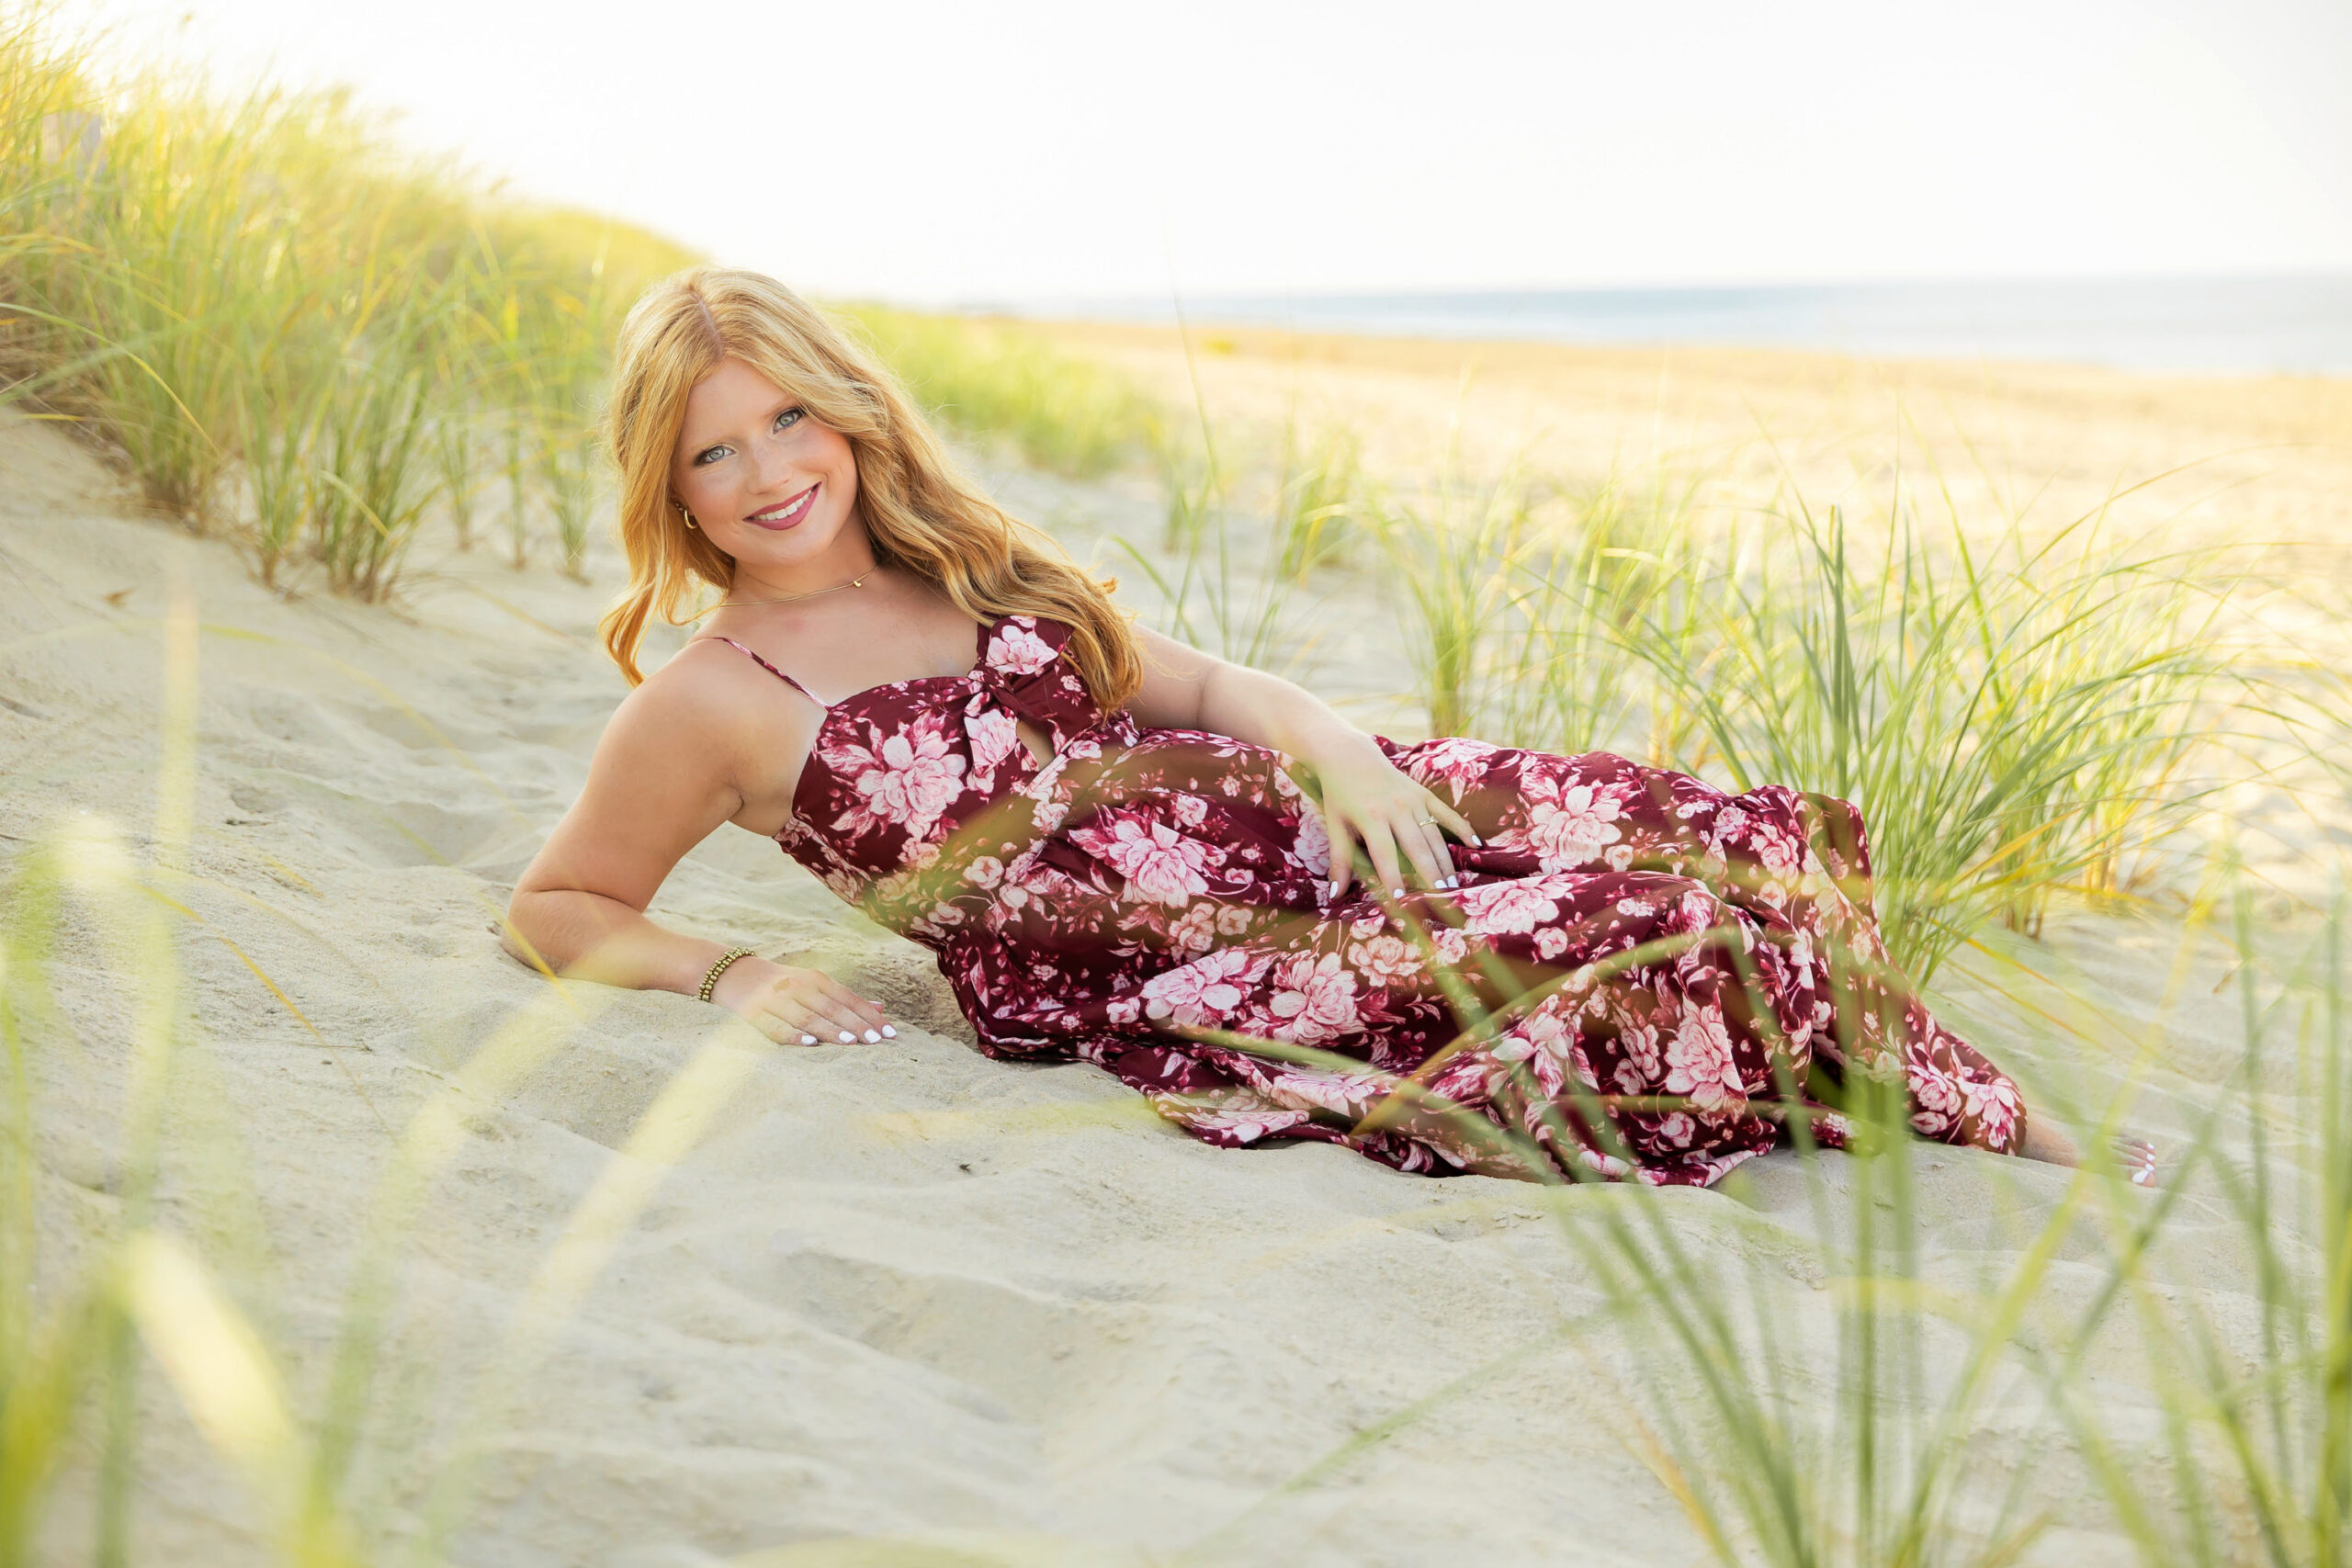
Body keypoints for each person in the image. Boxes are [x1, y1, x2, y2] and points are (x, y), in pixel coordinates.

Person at [503, 267, 2154, 1190]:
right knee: (1642, 924)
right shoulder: (710, 701)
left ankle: (1946, 1093)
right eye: (718, 452)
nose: (772, 470)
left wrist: (1343, 745)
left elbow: (1209, 689)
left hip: (1318, 816)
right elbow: (558, 904)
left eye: (793, 416)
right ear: (671, 484)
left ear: (849, 415)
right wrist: (728, 974)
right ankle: (1981, 1127)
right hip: (1183, 966)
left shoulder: (968, 566)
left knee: (1682, 829)